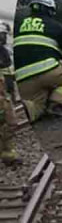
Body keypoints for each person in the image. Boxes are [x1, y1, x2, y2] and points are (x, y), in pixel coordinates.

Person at [13, 0, 62, 122]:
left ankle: (24, 112)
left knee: (37, 105)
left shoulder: (17, 26)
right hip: (48, 70)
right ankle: (57, 105)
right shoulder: (55, 25)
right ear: (50, 10)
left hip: (22, 79)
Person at [0, 22, 18, 165]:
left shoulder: (4, 51)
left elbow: (8, 69)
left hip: (6, 89)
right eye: (3, 35)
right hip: (2, 93)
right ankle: (7, 155)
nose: (4, 38)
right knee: (9, 122)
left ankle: (7, 155)